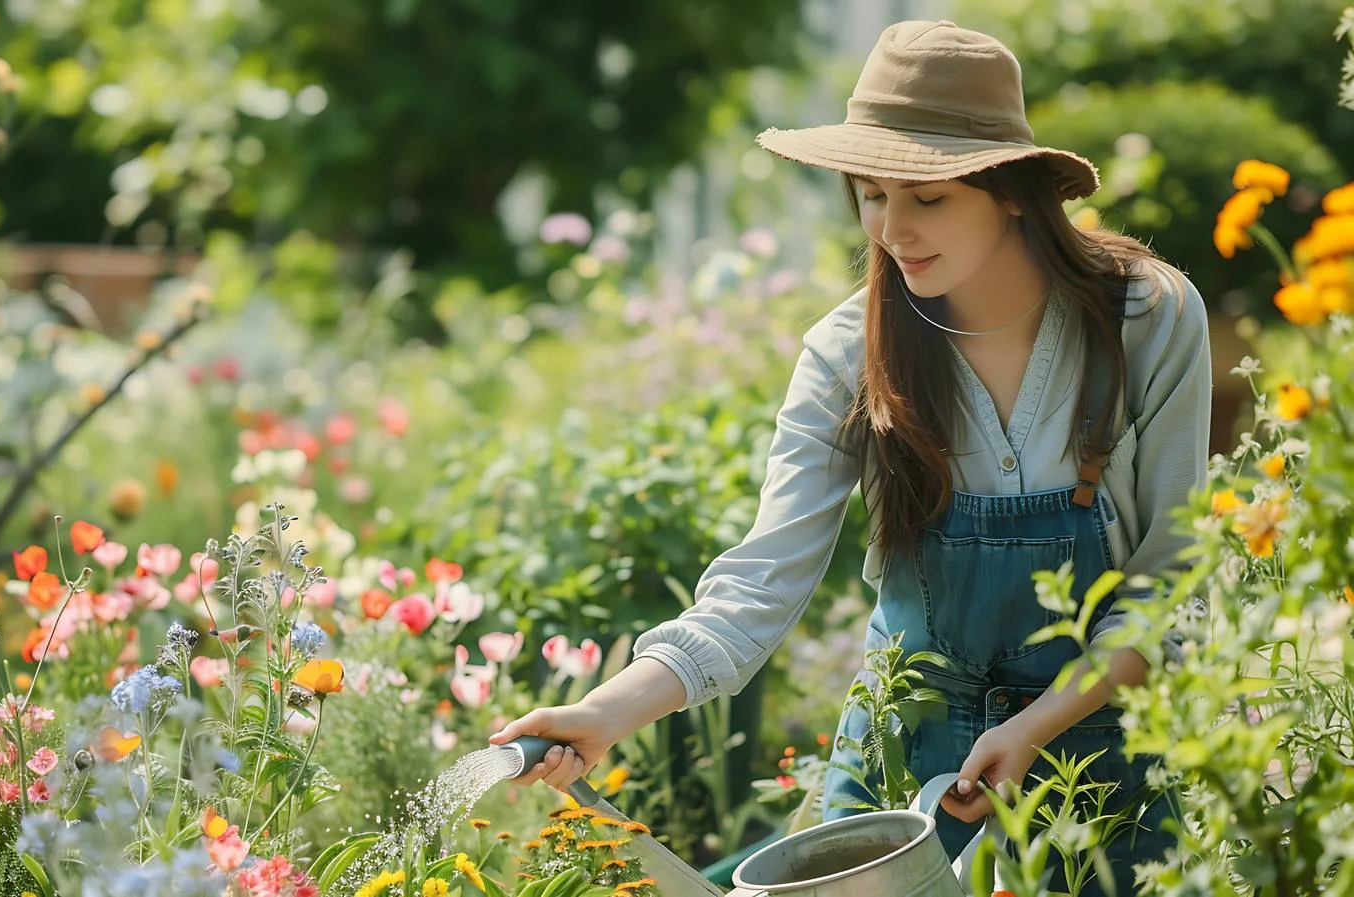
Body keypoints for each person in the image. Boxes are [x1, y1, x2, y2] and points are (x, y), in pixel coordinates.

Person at [490, 19, 1211, 895]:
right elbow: (760, 583)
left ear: (1013, 190)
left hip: (1096, 755)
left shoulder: (1146, 318)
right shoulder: (848, 350)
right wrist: (604, 712)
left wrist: (1040, 725)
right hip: (904, 758)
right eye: (872, 195)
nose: (894, 230)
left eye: (928, 198)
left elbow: (1164, 580)